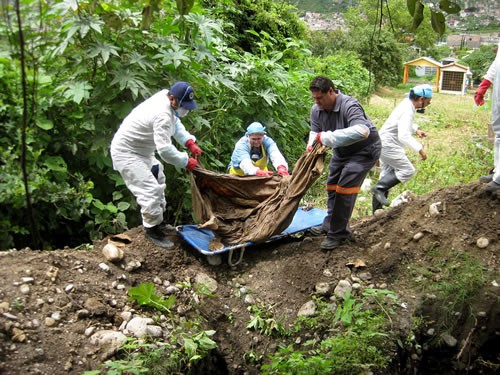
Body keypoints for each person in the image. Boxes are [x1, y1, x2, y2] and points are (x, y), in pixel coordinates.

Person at [110, 81, 202, 248]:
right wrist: (185, 161)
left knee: (159, 178)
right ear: (172, 98)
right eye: (183, 105)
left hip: (143, 152)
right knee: (149, 190)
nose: (185, 109)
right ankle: (151, 230)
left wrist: (188, 141)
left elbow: (176, 123)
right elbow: (165, 149)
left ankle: (158, 223)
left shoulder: (166, 99)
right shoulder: (162, 114)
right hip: (126, 153)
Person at [306, 76, 381, 251]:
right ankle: (330, 225)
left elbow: (362, 131)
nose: (317, 103)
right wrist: (311, 147)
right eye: (314, 98)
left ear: (331, 91)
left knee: (344, 188)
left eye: (320, 98)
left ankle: (338, 234)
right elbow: (314, 132)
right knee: (332, 186)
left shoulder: (349, 105)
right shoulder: (316, 110)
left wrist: (325, 138)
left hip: (365, 150)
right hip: (342, 150)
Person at [371, 84, 432, 212]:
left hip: (383, 143)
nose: (428, 104)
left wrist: (416, 129)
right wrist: (420, 150)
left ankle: (377, 210)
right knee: (407, 170)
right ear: (421, 99)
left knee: (386, 174)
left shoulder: (406, 103)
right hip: (389, 145)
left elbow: (402, 121)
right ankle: (379, 189)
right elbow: (403, 135)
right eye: (428, 101)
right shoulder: (408, 110)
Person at [474, 42, 500, 192]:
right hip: (498, 93)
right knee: (498, 134)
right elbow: (497, 62)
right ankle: (498, 171)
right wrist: (483, 86)